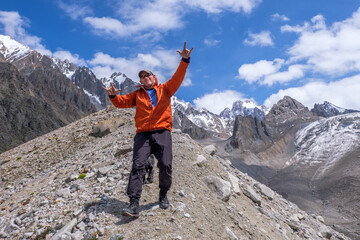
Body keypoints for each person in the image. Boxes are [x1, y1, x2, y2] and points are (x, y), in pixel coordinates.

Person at [103, 42, 193, 218]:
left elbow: (178, 77)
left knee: (166, 165)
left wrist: (184, 60)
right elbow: (121, 102)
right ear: (141, 81)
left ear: (154, 77)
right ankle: (134, 204)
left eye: (148, 75)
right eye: (142, 77)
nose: (145, 78)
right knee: (137, 166)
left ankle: (163, 193)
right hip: (143, 134)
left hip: (162, 132)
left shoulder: (165, 89)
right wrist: (113, 95)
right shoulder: (137, 95)